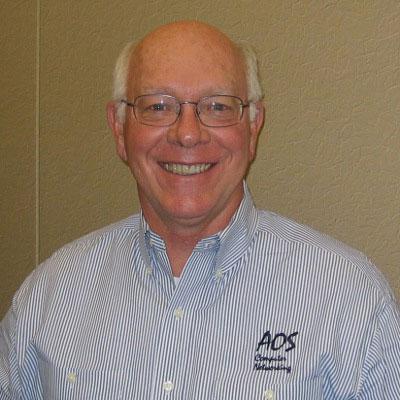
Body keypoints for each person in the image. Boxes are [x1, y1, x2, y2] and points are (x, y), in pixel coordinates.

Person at [1, 20, 399, 399]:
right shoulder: (49, 295)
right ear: (119, 129)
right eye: (158, 106)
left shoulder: (350, 298)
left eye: (218, 107)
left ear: (253, 126)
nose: (188, 134)